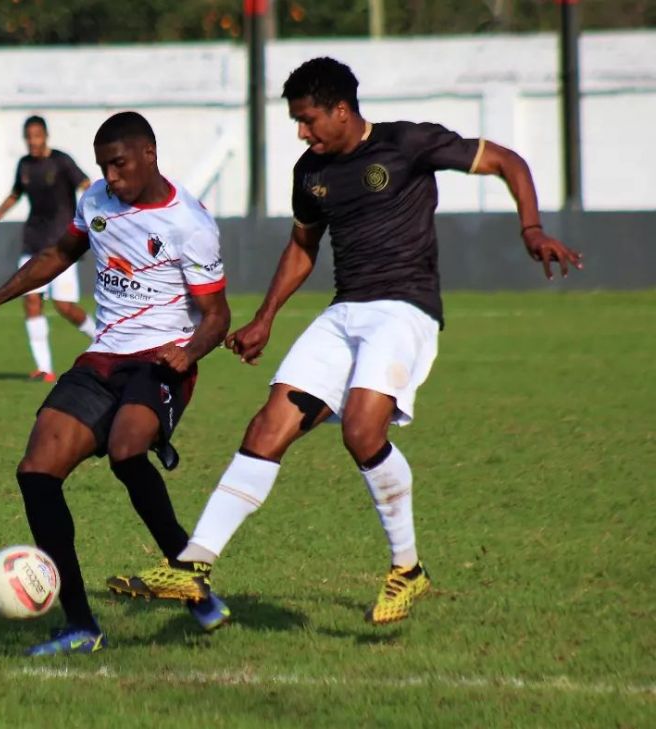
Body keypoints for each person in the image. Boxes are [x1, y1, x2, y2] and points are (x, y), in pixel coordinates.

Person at [108, 57, 583, 625]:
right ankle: (194, 564)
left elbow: (507, 160)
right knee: (266, 427)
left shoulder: (407, 144)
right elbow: (303, 246)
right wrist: (264, 318)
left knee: (362, 430)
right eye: (296, 123)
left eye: (308, 120)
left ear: (341, 109)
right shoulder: (310, 171)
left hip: (404, 310)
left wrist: (530, 228)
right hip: (345, 311)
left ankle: (407, 569)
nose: (302, 133)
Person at [0, 111, 232, 656]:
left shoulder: (189, 222)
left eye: (120, 164)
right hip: (104, 358)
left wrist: (190, 350)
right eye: (104, 165)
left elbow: (217, 316)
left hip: (160, 361)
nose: (111, 175)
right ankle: (81, 623)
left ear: (149, 154)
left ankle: (191, 578)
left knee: (128, 451)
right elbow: (58, 256)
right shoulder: (97, 201)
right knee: (36, 472)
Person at [0, 115, 95, 382]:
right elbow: (14, 196)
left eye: (37, 136)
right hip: (33, 242)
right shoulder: (24, 166)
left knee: (65, 306)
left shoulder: (62, 161)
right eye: (29, 137)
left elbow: (87, 185)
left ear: (45, 136)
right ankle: (45, 368)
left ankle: (102, 339)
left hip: (62, 246)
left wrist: (101, 211)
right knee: (31, 300)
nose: (33, 142)